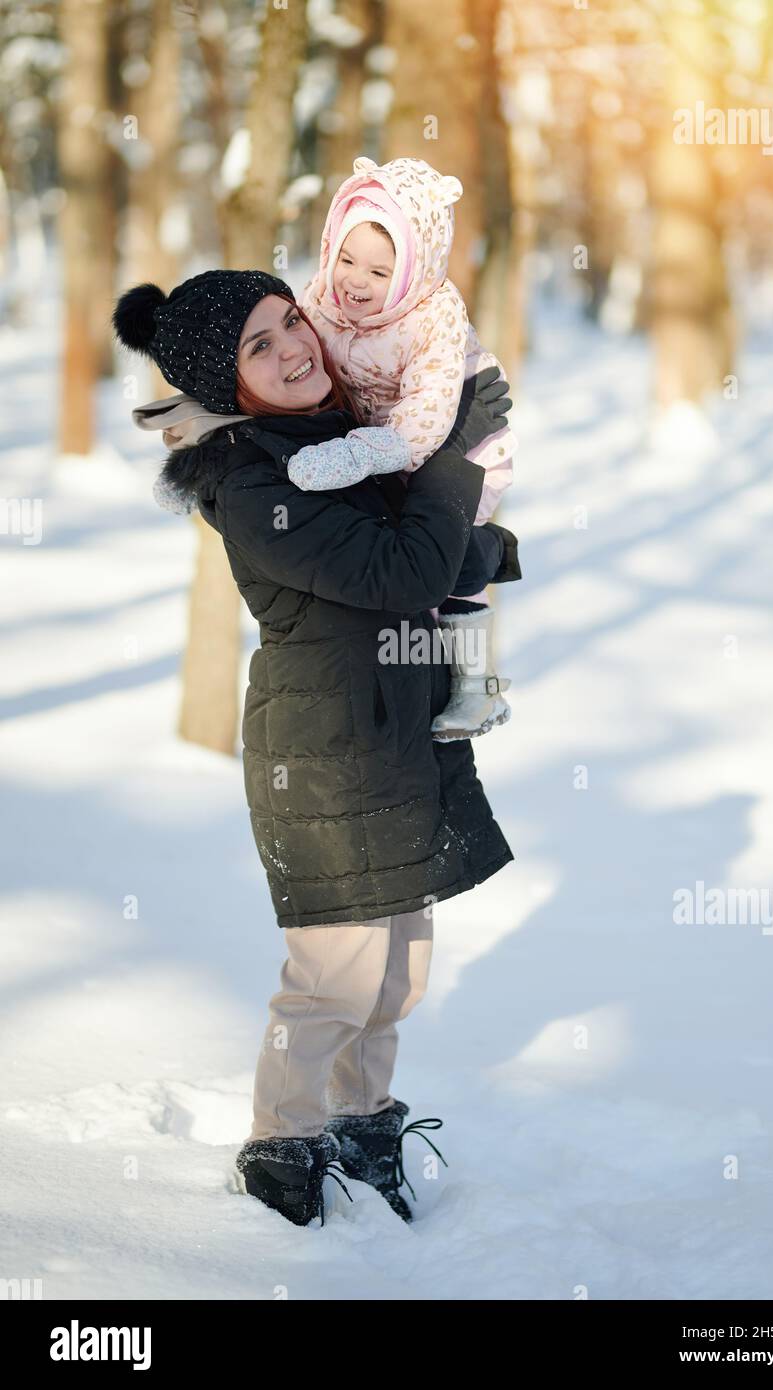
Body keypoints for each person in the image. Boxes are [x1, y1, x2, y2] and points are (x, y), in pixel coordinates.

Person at [112, 268, 521, 1227]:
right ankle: (281, 1150)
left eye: (290, 319)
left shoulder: (334, 440)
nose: (294, 345)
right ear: (226, 382)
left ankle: (363, 1121)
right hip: (326, 751)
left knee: (396, 974)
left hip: (397, 737)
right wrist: (451, 457)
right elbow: (395, 568)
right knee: (334, 975)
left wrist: (475, 527)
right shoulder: (251, 478)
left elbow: (424, 555)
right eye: (259, 345)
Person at [294, 156, 518, 741]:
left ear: (413, 270)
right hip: (384, 439)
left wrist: (359, 454)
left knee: (451, 557)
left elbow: (424, 419)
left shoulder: (433, 315)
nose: (354, 281)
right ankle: (421, 679)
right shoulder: (319, 299)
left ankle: (477, 687)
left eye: (378, 270)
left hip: (462, 438)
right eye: (345, 259)